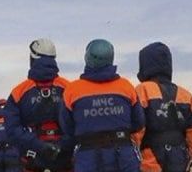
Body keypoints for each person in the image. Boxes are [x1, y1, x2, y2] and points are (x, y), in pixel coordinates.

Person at [58, 39, 145, 172]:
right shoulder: (126, 87)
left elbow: (67, 127)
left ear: (87, 58)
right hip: (123, 155)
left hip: (88, 157)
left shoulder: (72, 90)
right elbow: (139, 122)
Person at [4, 39, 73, 172]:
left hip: (32, 157)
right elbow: (79, 123)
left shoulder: (19, 92)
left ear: (32, 59)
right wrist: (61, 145)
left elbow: (12, 130)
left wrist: (38, 145)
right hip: (64, 158)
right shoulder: (69, 88)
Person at [132, 42, 192, 172]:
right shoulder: (186, 95)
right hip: (180, 161)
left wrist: (133, 155)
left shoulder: (142, 91)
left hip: (149, 162)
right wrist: (188, 156)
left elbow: (136, 130)